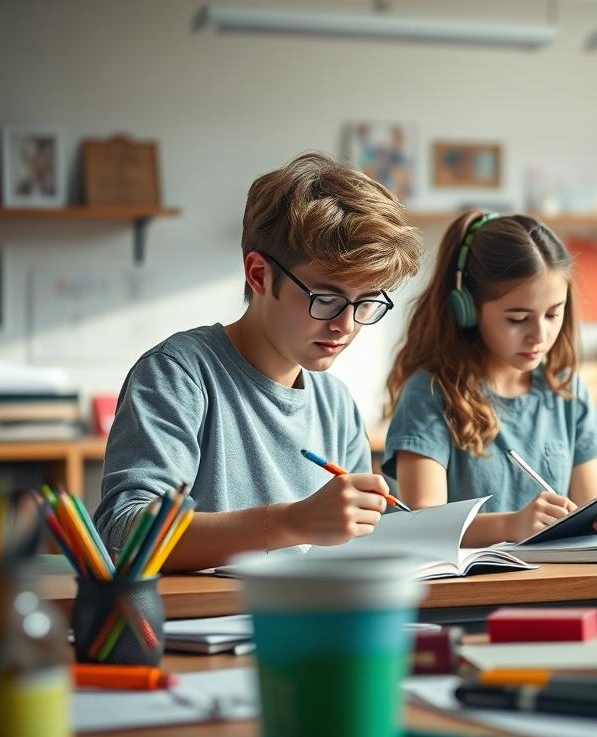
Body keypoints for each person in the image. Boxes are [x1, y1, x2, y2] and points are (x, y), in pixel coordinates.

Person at [94, 152, 422, 571]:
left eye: (366, 303)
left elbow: (354, 548)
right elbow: (125, 531)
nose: (346, 325)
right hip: (206, 627)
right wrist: (292, 522)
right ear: (259, 274)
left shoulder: (335, 403)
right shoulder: (178, 375)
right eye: (327, 299)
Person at [383, 211, 597, 546]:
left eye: (553, 314)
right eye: (518, 319)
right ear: (466, 309)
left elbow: (590, 511)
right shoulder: (431, 392)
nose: (539, 335)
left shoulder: (565, 389)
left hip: (558, 584)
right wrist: (509, 526)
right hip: (471, 592)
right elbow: (422, 524)